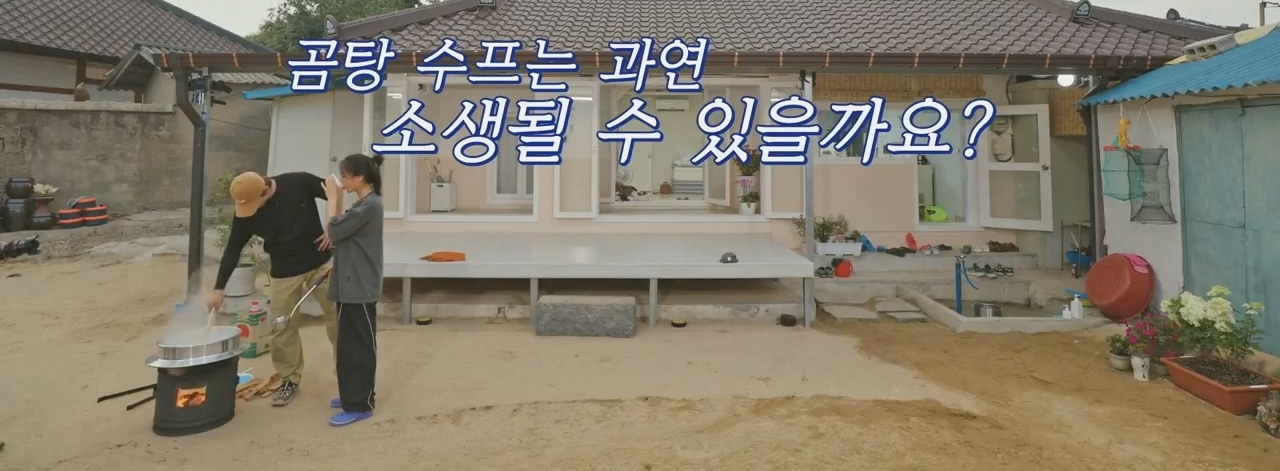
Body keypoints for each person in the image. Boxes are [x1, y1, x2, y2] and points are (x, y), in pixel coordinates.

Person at [207, 171, 338, 407]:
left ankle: (348, 372)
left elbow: (335, 189)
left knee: (340, 317)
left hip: (321, 263)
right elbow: (234, 247)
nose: (251, 211)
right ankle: (290, 379)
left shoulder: (298, 182)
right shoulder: (247, 210)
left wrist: (333, 226)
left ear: (265, 190)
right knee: (281, 325)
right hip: (284, 270)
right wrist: (219, 288)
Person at [322, 154, 384, 427]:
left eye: (345, 176)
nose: (342, 181)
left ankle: (360, 404)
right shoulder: (362, 205)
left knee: (359, 347)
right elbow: (347, 240)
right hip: (349, 283)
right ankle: (351, 394)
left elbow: (334, 232)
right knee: (347, 346)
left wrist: (333, 199)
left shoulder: (370, 206)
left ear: (359, 178)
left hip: (360, 286)